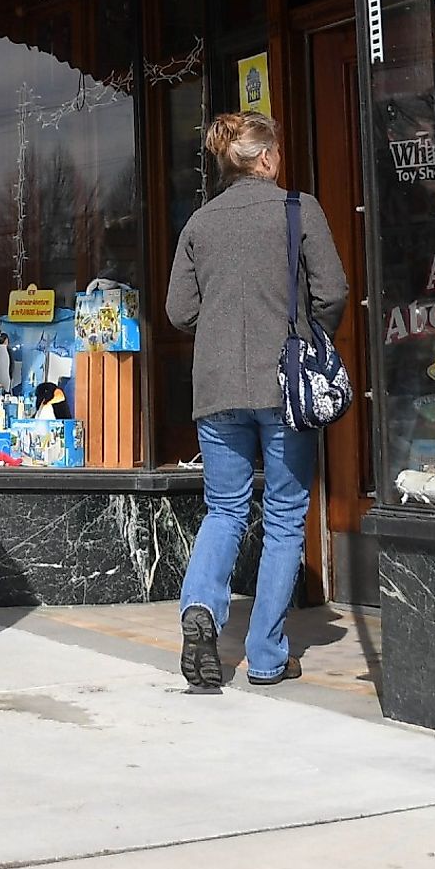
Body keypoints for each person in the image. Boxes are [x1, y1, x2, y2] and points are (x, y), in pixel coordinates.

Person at [164, 111, 348, 690]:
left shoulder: (199, 222)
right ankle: (267, 658)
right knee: (286, 517)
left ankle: (200, 609)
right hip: (286, 385)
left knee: (225, 508)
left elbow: (179, 311)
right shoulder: (299, 210)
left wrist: (222, 328)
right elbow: (333, 291)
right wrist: (312, 337)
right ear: (266, 158)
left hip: (215, 387)